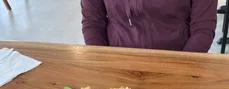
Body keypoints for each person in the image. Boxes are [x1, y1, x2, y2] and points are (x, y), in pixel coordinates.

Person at [81, 0, 217, 53]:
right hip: (118, 59)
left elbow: (203, 29)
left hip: (178, 57)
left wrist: (180, 68)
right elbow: (93, 22)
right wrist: (104, 61)